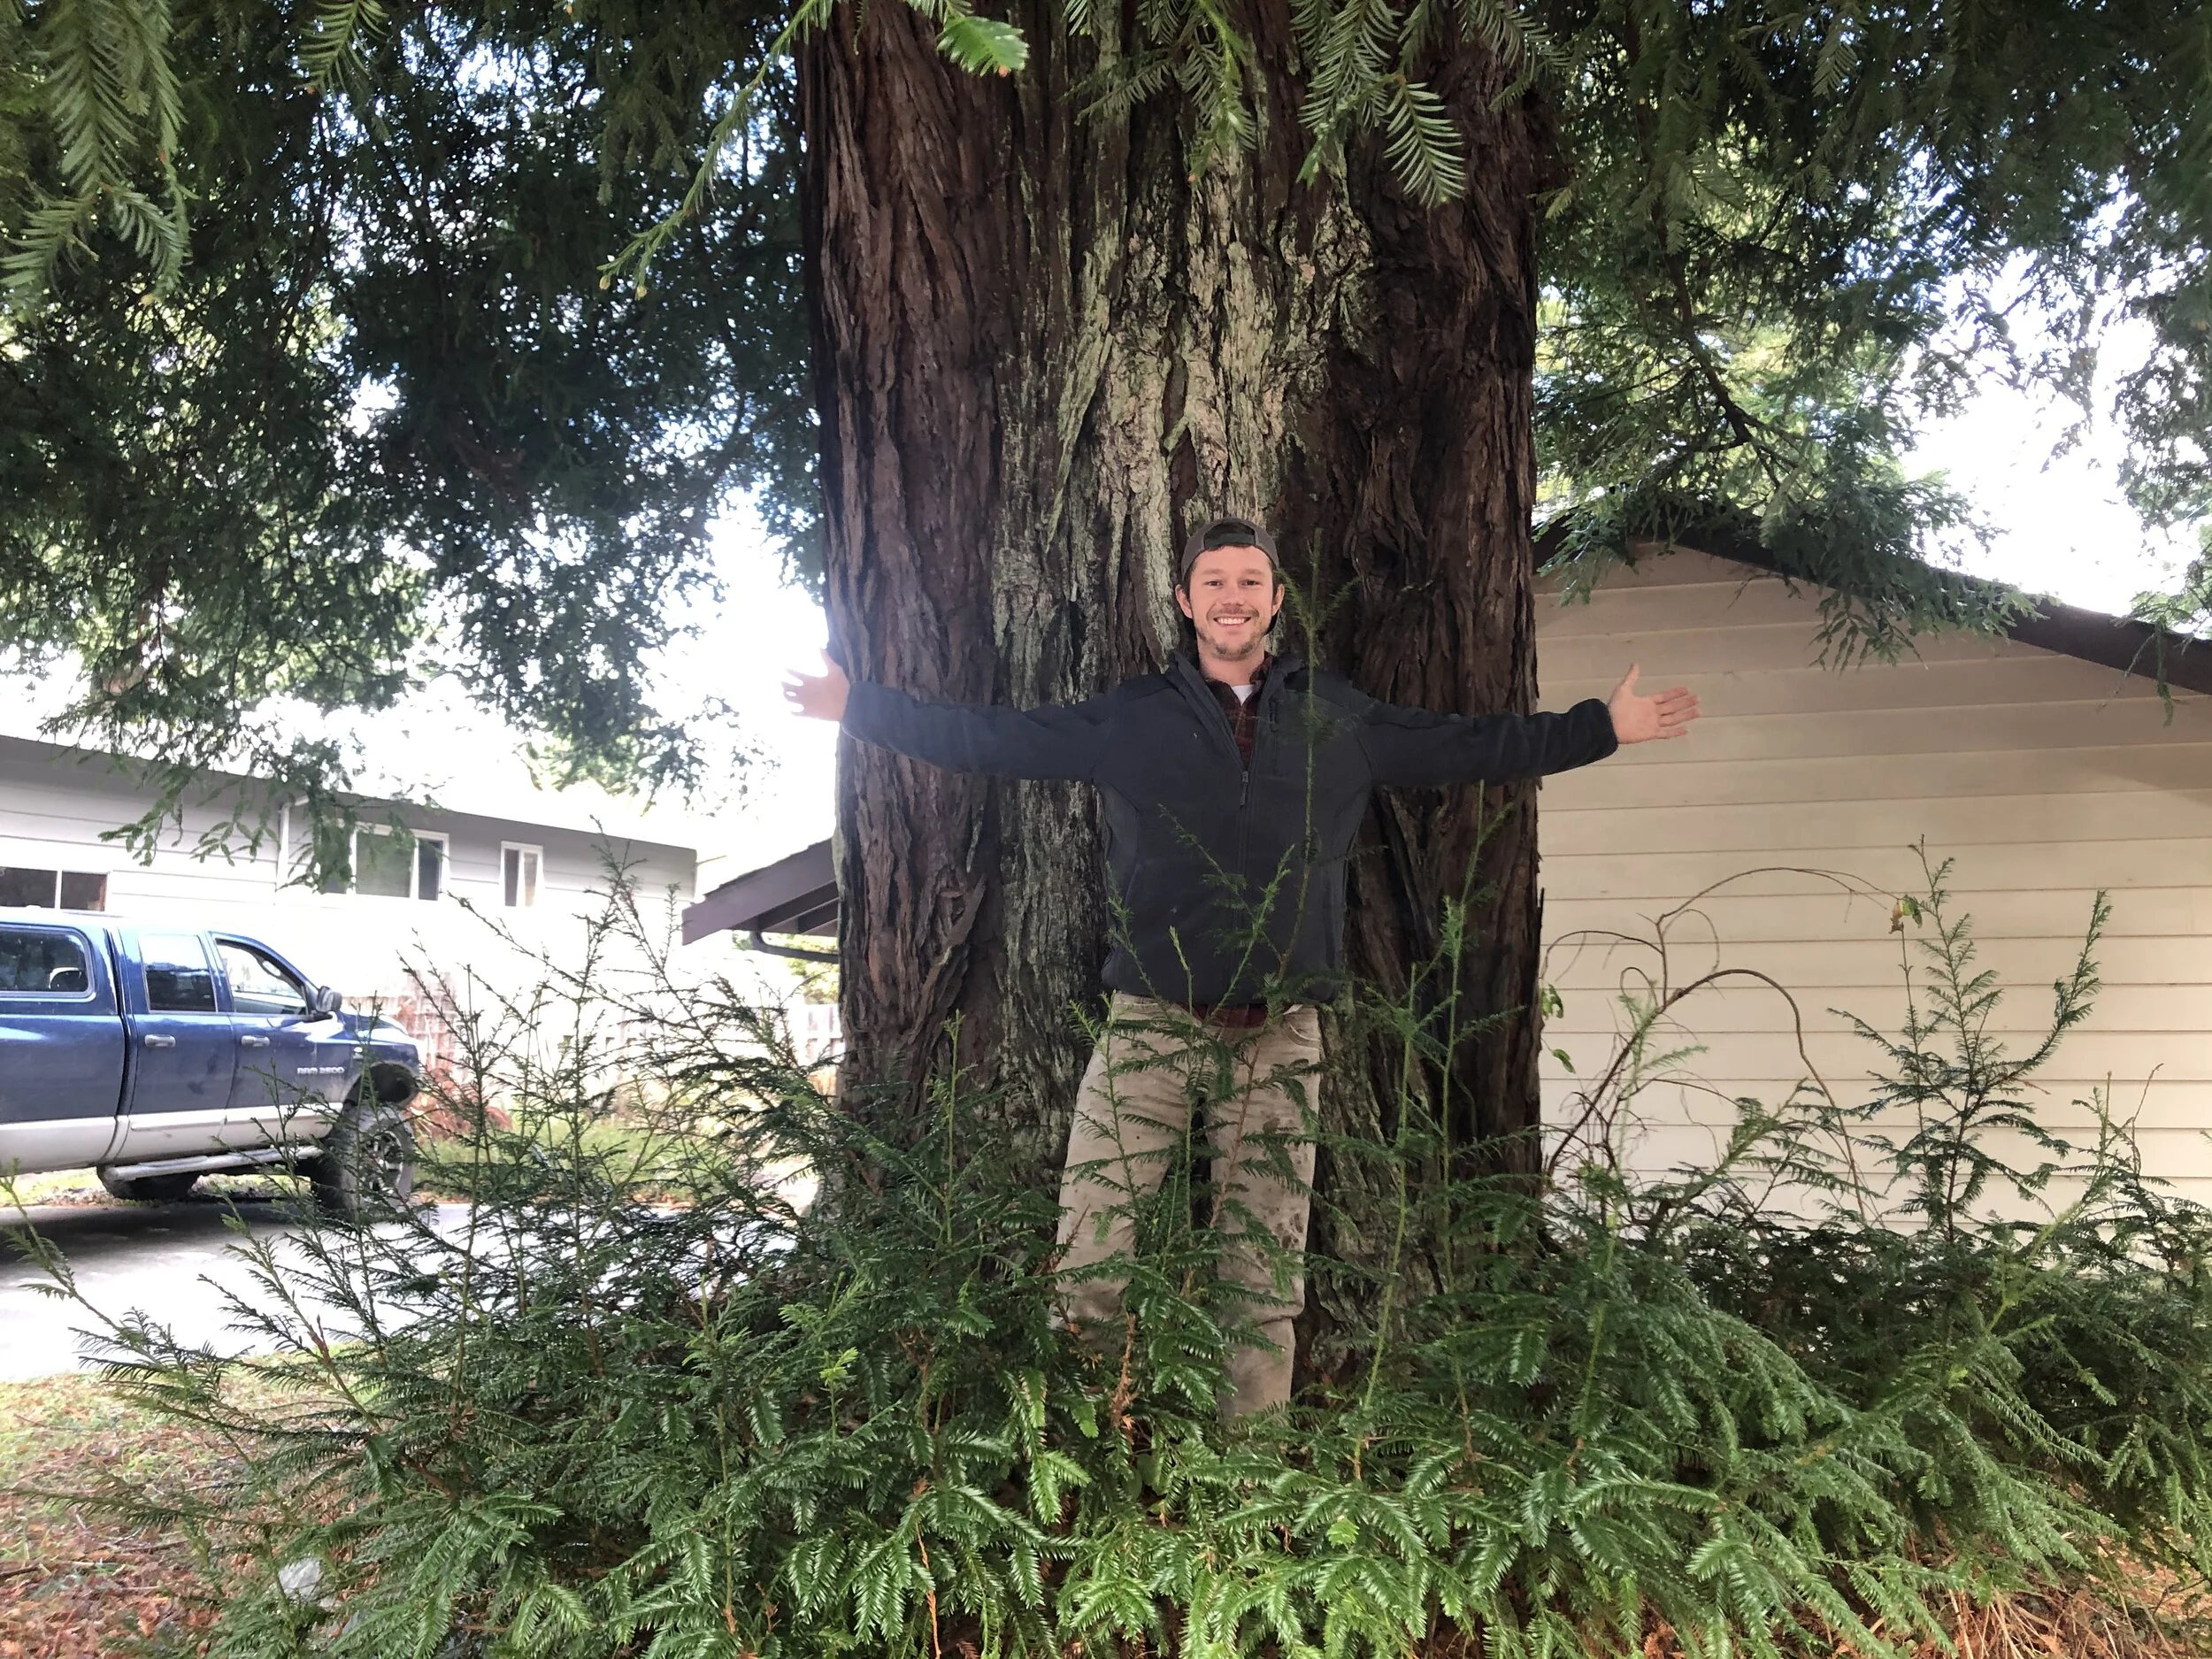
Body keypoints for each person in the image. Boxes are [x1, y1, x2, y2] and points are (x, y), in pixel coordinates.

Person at [784, 515, 1700, 1416]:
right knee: (1092, 1262)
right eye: (1214, 582)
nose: (1233, 598)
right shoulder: (1130, 719)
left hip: (1280, 1040)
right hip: (1148, 1027)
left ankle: (1246, 1474)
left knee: (1261, 1279)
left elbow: (1467, 745)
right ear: (1185, 602)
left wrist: (1600, 728)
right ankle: (1090, 1453)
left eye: (1249, 582)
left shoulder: (1336, 716)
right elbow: (995, 738)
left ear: (1275, 601)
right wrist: (856, 707)